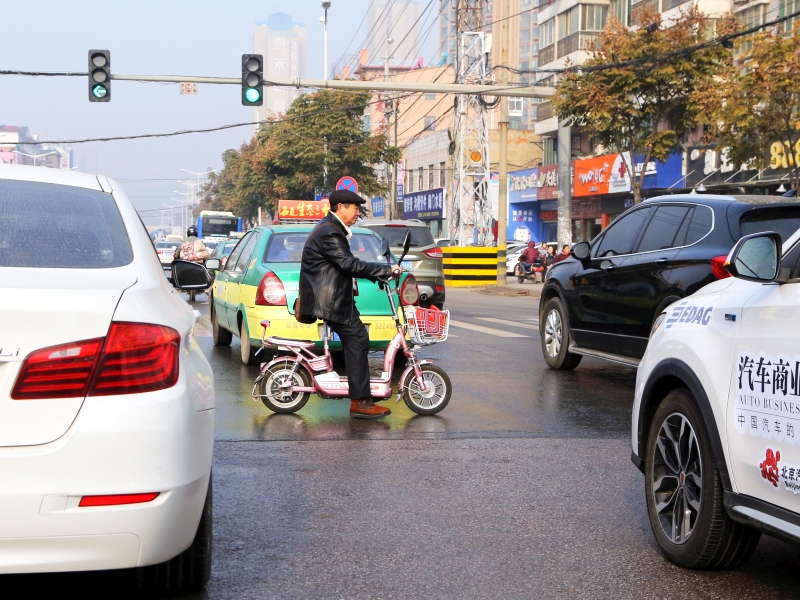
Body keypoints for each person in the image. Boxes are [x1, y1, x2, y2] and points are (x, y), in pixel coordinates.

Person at [299, 189, 402, 419]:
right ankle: (361, 402)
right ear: (340, 207)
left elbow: (344, 265)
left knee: (356, 339)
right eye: (355, 208)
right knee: (357, 338)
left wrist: (378, 276)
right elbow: (349, 264)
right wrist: (385, 270)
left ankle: (361, 397)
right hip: (330, 300)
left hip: (333, 297)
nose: (358, 213)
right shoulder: (330, 232)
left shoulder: (331, 228)